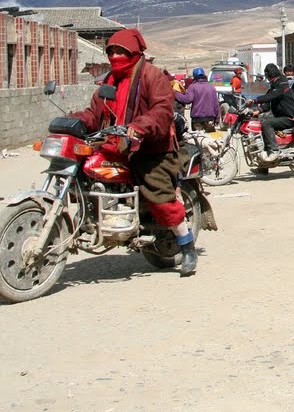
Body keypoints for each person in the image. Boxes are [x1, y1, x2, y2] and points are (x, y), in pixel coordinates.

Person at [68, 29, 199, 276]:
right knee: (84, 171)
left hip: (151, 147)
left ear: (134, 52)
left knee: (159, 195)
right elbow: (96, 114)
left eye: (121, 51)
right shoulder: (109, 82)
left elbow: (162, 109)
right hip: (115, 144)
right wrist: (76, 120)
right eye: (112, 51)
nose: (115, 56)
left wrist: (139, 127)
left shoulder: (152, 76)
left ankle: (186, 245)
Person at [246, 63, 294, 162]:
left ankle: (274, 150)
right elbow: (268, 103)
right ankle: (262, 163)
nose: (266, 77)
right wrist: (257, 111)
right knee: (261, 124)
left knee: (267, 123)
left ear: (271, 74)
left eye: (267, 74)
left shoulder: (282, 83)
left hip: (289, 117)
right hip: (281, 116)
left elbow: (270, 96)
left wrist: (255, 100)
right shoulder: (275, 85)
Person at [175, 67, 220, 131]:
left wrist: (176, 94)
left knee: (198, 138)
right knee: (210, 140)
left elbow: (188, 99)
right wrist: (217, 118)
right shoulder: (211, 87)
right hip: (210, 118)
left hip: (197, 119)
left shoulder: (193, 87)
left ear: (194, 76)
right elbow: (216, 103)